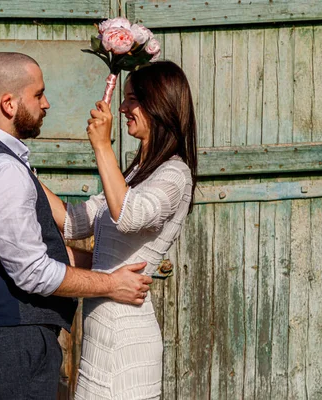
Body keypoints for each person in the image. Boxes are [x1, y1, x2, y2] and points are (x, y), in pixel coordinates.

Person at [0, 52, 153, 400]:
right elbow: (32, 272)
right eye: (38, 94)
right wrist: (111, 285)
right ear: (9, 104)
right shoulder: (2, 169)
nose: (47, 103)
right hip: (12, 344)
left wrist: (102, 260)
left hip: (5, 342)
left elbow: (51, 236)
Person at [43, 61, 198, 399]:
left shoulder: (174, 174)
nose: (123, 108)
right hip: (101, 327)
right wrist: (19, 169)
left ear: (159, 104)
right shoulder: (135, 173)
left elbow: (129, 216)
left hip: (126, 336)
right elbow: (74, 223)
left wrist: (102, 146)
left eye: (132, 100)